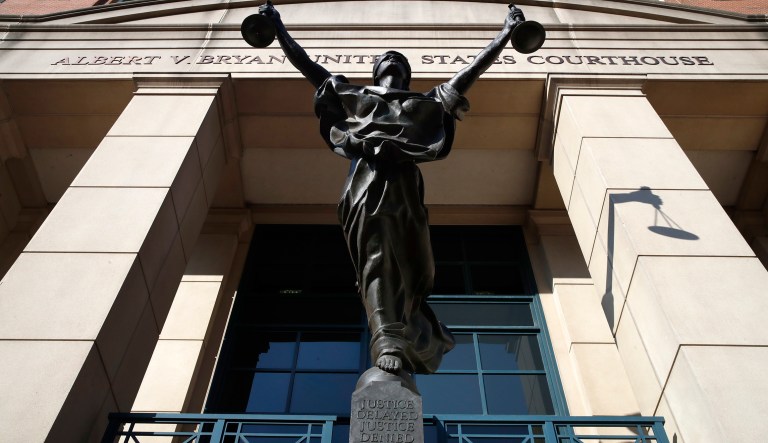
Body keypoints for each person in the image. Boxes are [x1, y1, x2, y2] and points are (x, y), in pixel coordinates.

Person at [258, 2, 527, 374]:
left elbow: (466, 78)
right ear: (376, 70)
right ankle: (387, 339)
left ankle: (411, 328)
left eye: (398, 59)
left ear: (406, 73)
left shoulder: (422, 104)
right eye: (386, 58)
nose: (391, 58)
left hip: (404, 185)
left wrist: (504, 36)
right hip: (365, 182)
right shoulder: (355, 97)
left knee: (413, 267)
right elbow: (309, 67)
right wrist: (279, 31)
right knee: (377, 258)